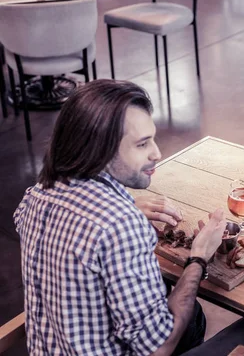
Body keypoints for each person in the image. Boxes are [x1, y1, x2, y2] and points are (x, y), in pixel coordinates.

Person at [14, 79, 230, 355]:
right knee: (230, 327)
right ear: (98, 150)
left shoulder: (35, 196)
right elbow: (161, 348)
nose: (157, 153)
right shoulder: (119, 225)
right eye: (142, 145)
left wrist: (122, 206)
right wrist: (199, 256)